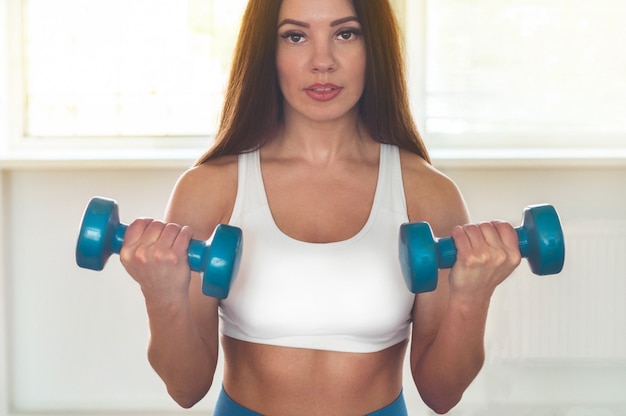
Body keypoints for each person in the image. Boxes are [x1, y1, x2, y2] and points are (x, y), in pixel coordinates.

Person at [119, 0, 522, 414]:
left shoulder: (426, 193)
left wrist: (472, 295)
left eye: (345, 33)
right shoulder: (211, 188)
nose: (322, 62)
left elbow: (442, 394)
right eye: (296, 36)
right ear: (268, 52)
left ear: (374, 47)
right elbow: (186, 389)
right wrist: (161, 294)